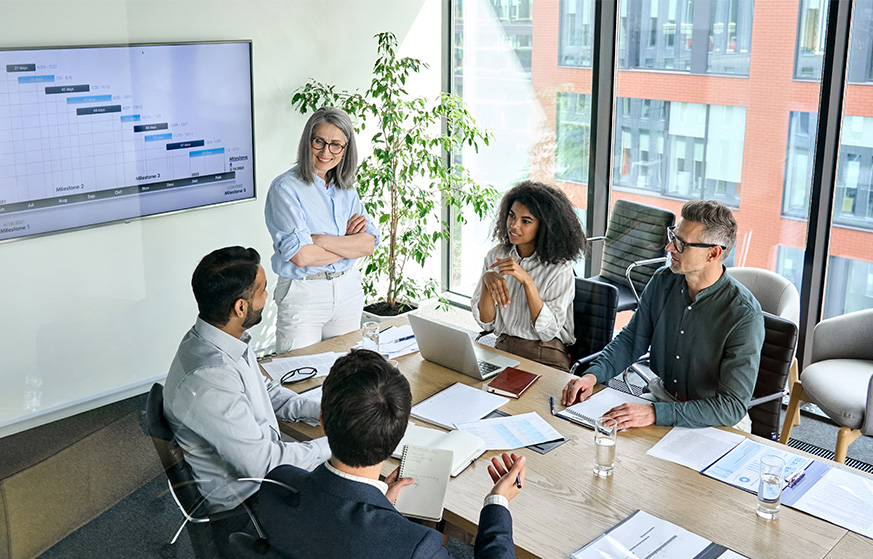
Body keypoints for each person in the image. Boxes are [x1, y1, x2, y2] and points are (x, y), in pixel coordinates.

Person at [259, 349, 525, 558]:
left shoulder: (275, 488)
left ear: (323, 423)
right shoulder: (413, 547)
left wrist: (380, 504)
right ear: (398, 435)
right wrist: (497, 503)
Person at [163, 246, 331, 550]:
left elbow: (265, 392)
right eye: (262, 290)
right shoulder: (209, 378)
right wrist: (338, 443)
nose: (267, 296)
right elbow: (264, 466)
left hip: (259, 474)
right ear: (241, 307)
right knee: (355, 506)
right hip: (245, 508)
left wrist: (330, 411)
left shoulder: (222, 339)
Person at [561, 200, 765, 430]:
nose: (669, 248)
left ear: (713, 253)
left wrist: (655, 413)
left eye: (681, 244)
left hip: (714, 419)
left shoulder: (744, 315)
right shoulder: (662, 281)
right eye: (672, 237)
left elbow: (730, 407)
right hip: (661, 398)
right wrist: (592, 376)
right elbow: (631, 341)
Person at [265, 106, 379, 353]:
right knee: (299, 377)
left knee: (348, 377)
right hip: (304, 292)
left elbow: (368, 244)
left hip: (347, 290)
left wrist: (320, 240)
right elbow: (301, 255)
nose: (327, 151)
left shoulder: (347, 188)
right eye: (320, 142)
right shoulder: (285, 188)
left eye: (336, 144)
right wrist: (348, 244)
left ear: (346, 149)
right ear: (308, 141)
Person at [471, 181, 587, 371]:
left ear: (544, 227)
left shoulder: (559, 268)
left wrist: (527, 281)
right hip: (504, 348)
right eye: (511, 216)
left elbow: (548, 331)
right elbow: (486, 322)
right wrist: (486, 282)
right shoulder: (495, 255)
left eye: (526, 221)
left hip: (545, 354)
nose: (514, 226)